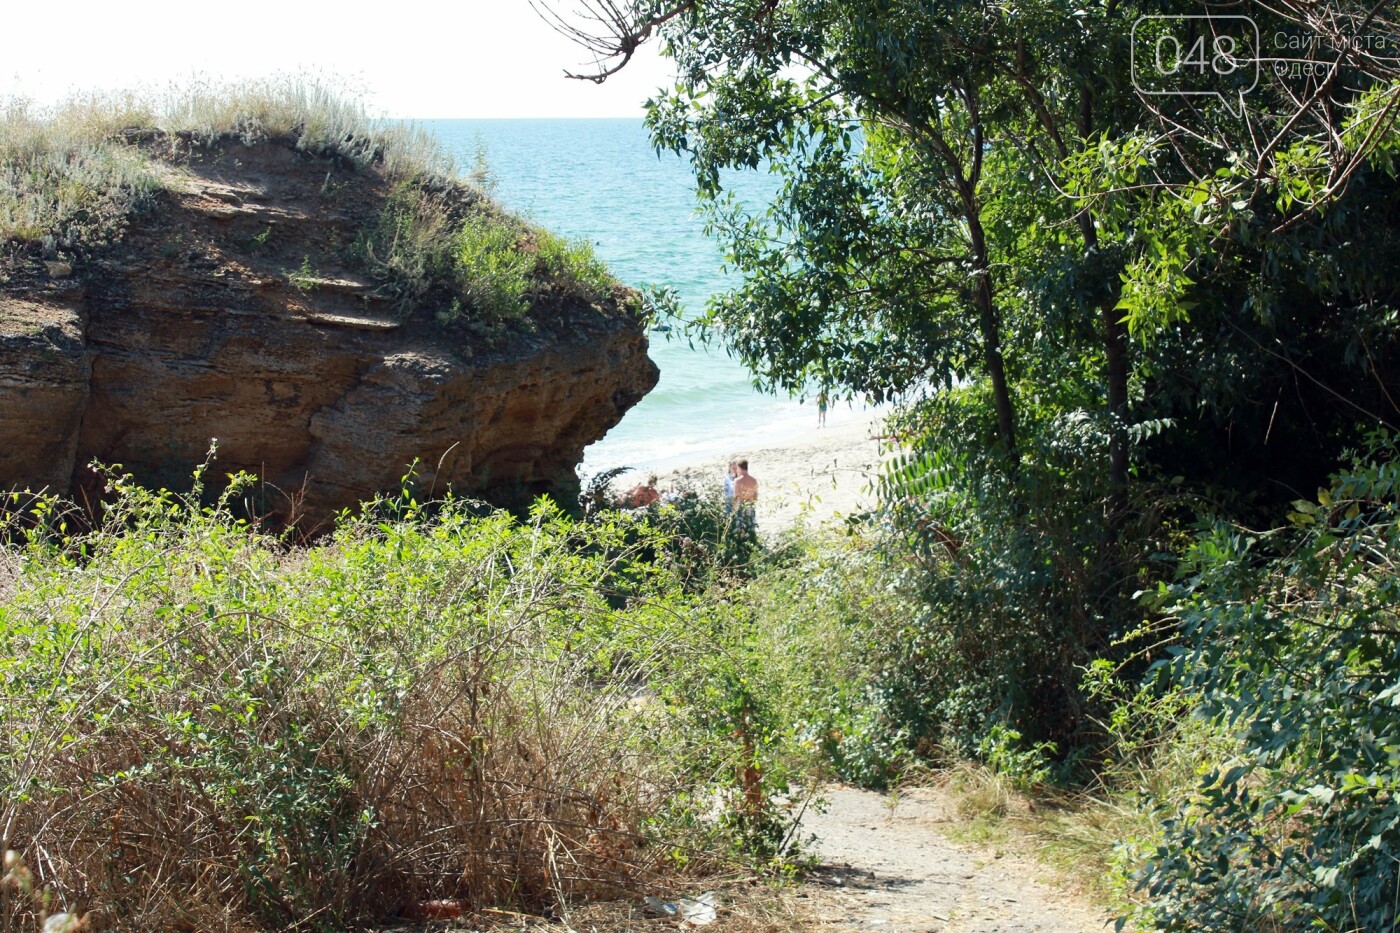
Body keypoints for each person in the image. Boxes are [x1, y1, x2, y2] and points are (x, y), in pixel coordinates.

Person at [731, 459, 758, 531]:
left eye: (737, 469)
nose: (737, 471)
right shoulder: (754, 480)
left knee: (742, 527)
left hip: (742, 505)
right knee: (751, 524)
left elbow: (736, 496)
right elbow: (755, 496)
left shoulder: (737, 481)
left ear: (740, 468)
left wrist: (734, 508)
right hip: (751, 504)